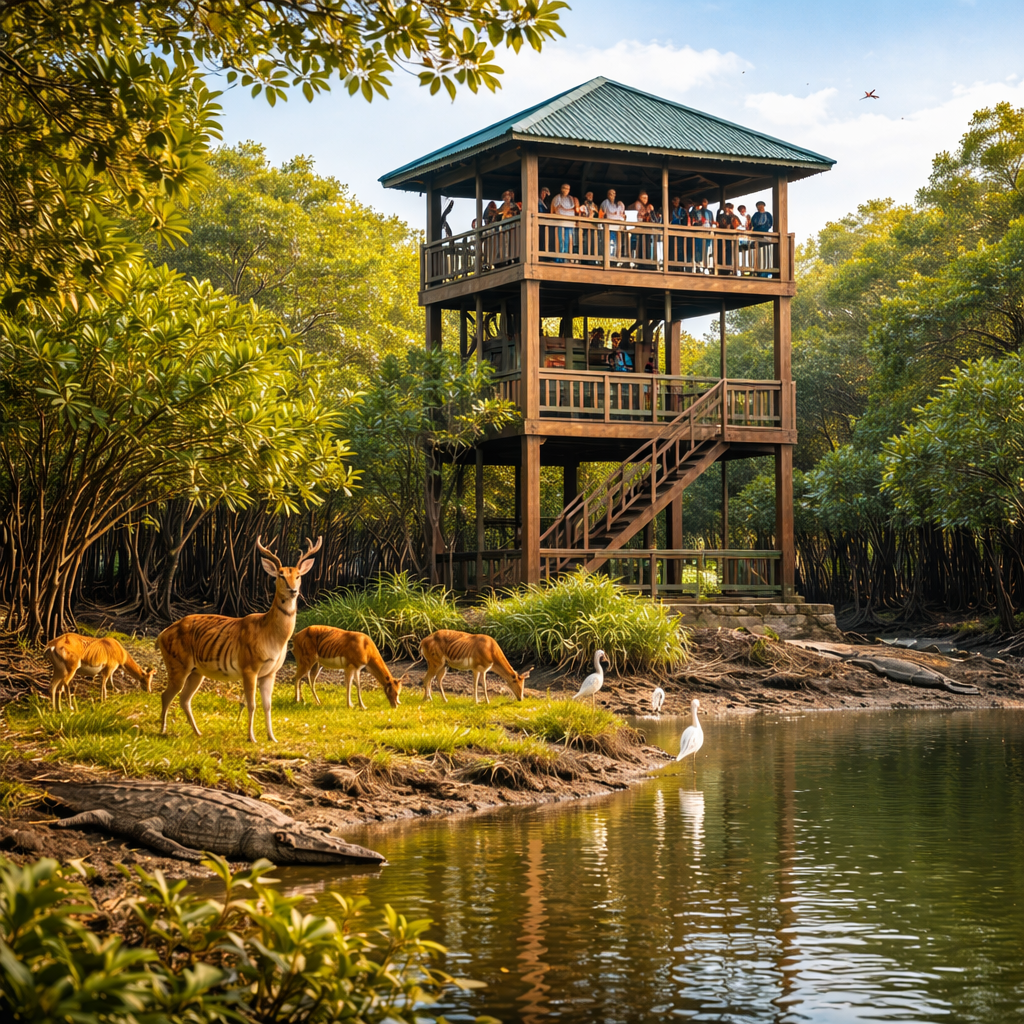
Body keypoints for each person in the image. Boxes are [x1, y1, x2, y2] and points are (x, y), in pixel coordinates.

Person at [550, 182, 579, 261]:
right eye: (564, 188)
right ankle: (560, 257)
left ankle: (568, 257)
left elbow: (577, 210)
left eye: (568, 189)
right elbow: (553, 210)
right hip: (560, 222)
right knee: (561, 239)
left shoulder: (572, 199)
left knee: (569, 239)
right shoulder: (557, 198)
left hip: (570, 223)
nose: (566, 190)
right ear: (561, 189)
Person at [599, 188, 625, 260]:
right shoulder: (605, 202)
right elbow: (601, 214)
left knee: (616, 243)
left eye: (613, 194)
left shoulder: (618, 204)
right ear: (608, 195)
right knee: (609, 243)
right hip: (608, 227)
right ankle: (608, 258)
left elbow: (621, 215)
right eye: (610, 193)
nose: (612, 195)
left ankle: (615, 258)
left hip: (617, 227)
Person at [750, 201, 773, 276]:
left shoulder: (768, 214)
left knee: (765, 251)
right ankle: (757, 270)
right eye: (757, 206)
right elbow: (753, 223)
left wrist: (765, 227)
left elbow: (770, 223)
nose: (759, 207)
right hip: (757, 234)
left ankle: (765, 271)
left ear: (763, 206)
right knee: (757, 252)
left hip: (765, 233)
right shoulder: (756, 215)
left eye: (760, 205)